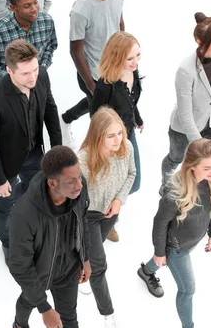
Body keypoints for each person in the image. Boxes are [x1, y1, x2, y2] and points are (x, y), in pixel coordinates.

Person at [0, 39, 61, 263]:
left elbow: (50, 110)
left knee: (38, 194)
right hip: (7, 164)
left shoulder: (41, 75)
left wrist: (56, 149)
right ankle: (8, 243)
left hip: (35, 153)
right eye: (25, 73)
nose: (33, 77)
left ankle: (31, 230)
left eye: (34, 69)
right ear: (9, 70)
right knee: (4, 206)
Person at [160, 12, 211, 237]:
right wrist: (199, 144)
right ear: (200, 43)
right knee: (175, 159)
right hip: (185, 128)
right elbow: (184, 113)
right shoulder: (185, 70)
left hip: (210, 122)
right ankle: (165, 186)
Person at [137, 138, 211, 328]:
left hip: (192, 242)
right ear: (192, 166)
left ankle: (145, 271)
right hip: (176, 248)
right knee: (187, 289)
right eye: (207, 167)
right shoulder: (175, 192)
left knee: (162, 260)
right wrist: (159, 252)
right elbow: (159, 223)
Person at [9, 146, 91, 328]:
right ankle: (19, 324)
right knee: (28, 300)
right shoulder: (23, 214)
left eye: (79, 177)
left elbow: (82, 221)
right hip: (39, 273)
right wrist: (44, 307)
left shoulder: (78, 189)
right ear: (52, 183)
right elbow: (19, 266)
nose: (79, 185)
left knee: (69, 319)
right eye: (71, 181)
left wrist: (84, 258)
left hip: (69, 270)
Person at [77, 107, 135, 328]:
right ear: (98, 135)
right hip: (88, 216)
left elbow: (132, 174)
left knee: (92, 251)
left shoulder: (126, 148)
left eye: (119, 133)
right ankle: (108, 315)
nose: (117, 139)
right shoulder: (82, 160)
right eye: (111, 135)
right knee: (99, 266)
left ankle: (83, 269)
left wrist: (119, 200)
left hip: (111, 212)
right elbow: (73, 202)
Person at [60, 0, 124, 148]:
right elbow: (75, 51)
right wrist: (90, 85)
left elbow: (119, 21)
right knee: (101, 120)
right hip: (94, 73)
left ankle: (65, 118)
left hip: (116, 68)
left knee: (108, 106)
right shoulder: (81, 10)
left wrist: (126, 53)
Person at [92, 31, 143, 201]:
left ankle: (113, 204)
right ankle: (107, 211)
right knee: (111, 182)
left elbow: (131, 99)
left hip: (128, 132)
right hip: (110, 138)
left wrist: (137, 117)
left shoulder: (133, 72)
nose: (135, 62)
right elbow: (95, 116)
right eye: (130, 58)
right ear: (116, 57)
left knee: (134, 183)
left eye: (138, 55)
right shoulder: (105, 86)